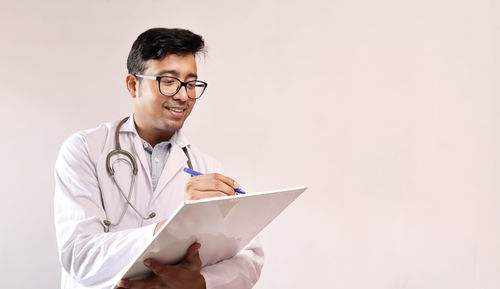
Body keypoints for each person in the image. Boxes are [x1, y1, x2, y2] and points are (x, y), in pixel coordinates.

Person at [54, 28, 264, 289]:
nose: (183, 95)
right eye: (168, 81)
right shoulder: (86, 149)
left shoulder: (206, 168)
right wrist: (174, 228)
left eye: (191, 83)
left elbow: (248, 257)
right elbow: (80, 256)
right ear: (133, 85)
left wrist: (199, 283)